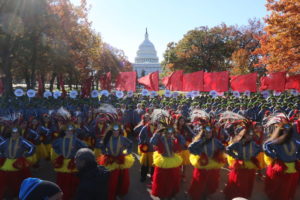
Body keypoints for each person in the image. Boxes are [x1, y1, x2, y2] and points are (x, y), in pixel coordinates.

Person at [263, 114, 300, 200]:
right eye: (285, 128)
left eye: (289, 128)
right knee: (279, 186)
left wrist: (298, 156)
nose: (287, 130)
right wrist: (273, 155)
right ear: (282, 129)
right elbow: (266, 146)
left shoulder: (295, 140)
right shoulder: (277, 141)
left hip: (293, 167)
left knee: (288, 186)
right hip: (280, 167)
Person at [224, 118, 262, 200]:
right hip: (240, 166)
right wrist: (235, 156)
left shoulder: (253, 143)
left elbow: (259, 149)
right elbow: (227, 149)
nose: (250, 136)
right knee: (239, 182)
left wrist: (254, 156)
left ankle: (244, 196)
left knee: (248, 182)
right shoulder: (238, 143)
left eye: (251, 135)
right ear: (244, 135)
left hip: (250, 166)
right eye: (248, 135)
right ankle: (236, 196)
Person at [150, 112, 186, 200]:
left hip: (172, 160)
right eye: (167, 131)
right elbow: (152, 142)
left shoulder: (174, 139)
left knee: (172, 178)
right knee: (162, 179)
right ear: (164, 131)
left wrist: (177, 134)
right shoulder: (160, 138)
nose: (169, 133)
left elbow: (183, 143)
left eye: (171, 131)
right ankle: (162, 194)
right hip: (163, 160)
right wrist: (158, 132)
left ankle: (171, 193)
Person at [188, 116, 225, 200]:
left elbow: (222, 147)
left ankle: (206, 194)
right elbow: (190, 148)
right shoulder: (200, 141)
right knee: (199, 181)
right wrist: (199, 153)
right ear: (203, 133)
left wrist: (218, 153)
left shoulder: (215, 141)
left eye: (210, 133)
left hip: (212, 163)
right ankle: (198, 194)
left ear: (212, 133)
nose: (208, 134)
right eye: (206, 133)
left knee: (210, 181)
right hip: (202, 163)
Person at [51, 124, 88, 200]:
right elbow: (54, 146)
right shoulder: (60, 140)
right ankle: (62, 194)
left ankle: (73, 194)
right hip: (62, 162)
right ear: (64, 131)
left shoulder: (76, 140)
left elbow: (85, 146)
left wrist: (77, 153)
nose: (69, 132)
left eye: (71, 131)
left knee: (72, 180)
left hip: (72, 162)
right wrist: (59, 153)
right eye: (68, 131)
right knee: (62, 180)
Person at [98, 123, 134, 200]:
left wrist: (128, 151)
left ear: (119, 131)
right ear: (112, 131)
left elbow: (131, 144)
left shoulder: (123, 139)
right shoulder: (107, 138)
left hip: (120, 160)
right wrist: (104, 152)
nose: (116, 132)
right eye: (114, 130)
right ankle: (111, 193)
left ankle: (119, 193)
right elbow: (101, 145)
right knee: (111, 179)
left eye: (117, 130)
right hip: (110, 160)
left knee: (121, 178)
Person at [0, 126, 36, 199]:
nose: (15, 134)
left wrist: (27, 154)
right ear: (11, 134)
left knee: (20, 178)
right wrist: (1, 154)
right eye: (13, 133)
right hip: (7, 163)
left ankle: (20, 192)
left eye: (16, 133)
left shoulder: (22, 141)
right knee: (7, 178)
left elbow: (32, 147)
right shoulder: (6, 141)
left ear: (19, 134)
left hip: (18, 163)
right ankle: (10, 192)